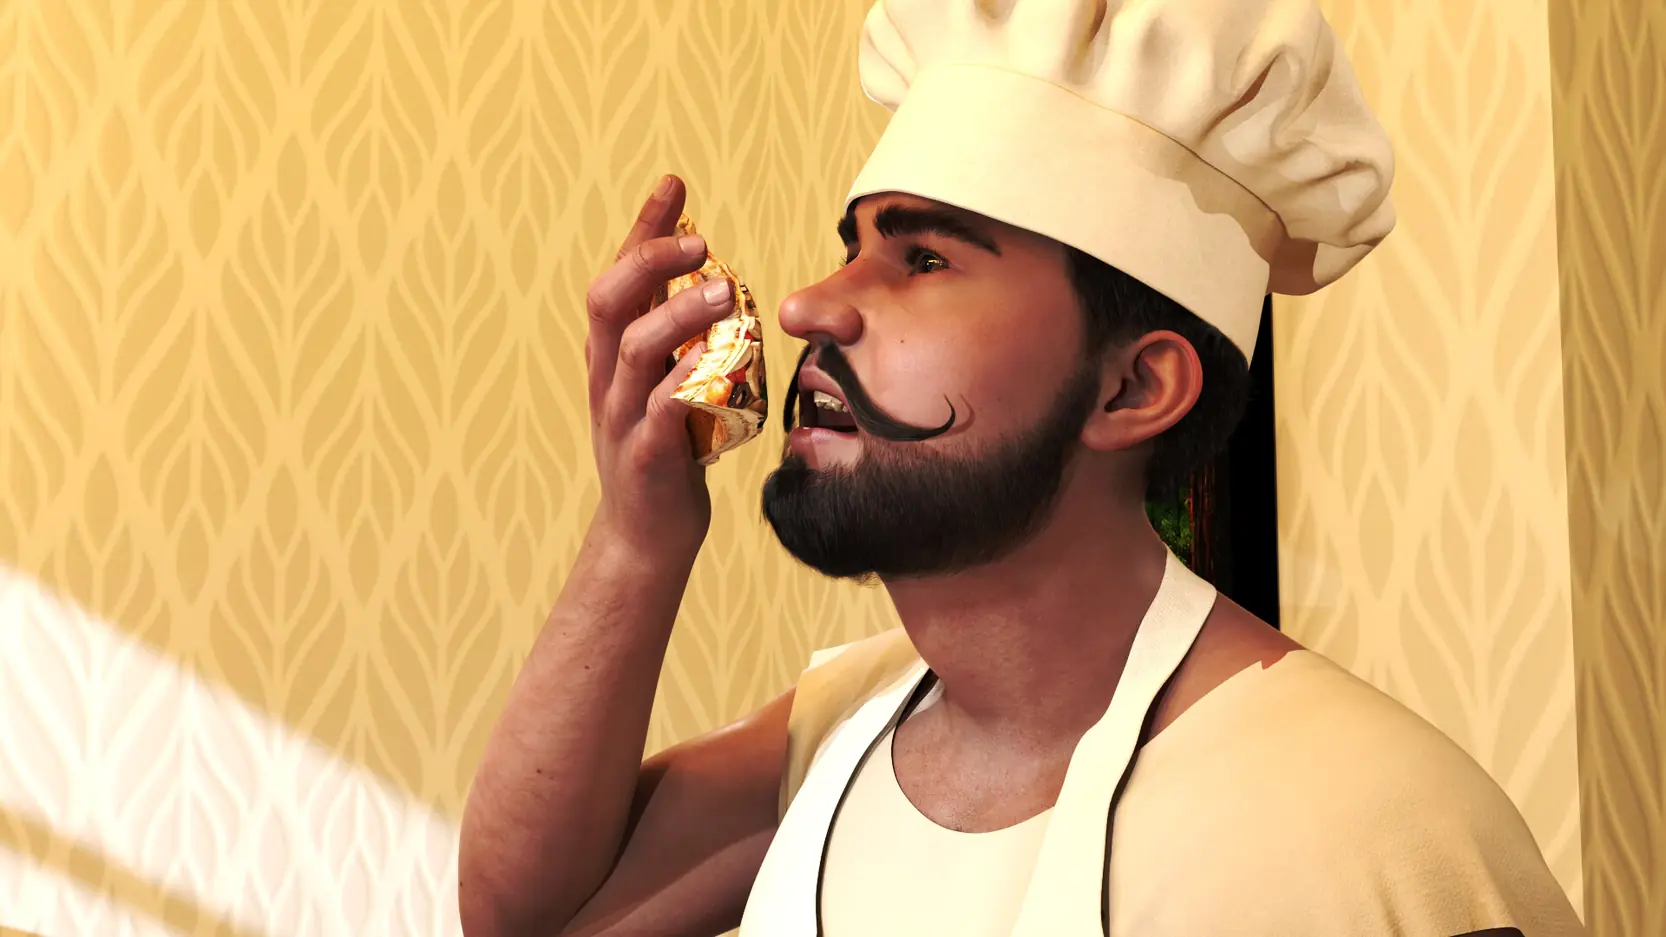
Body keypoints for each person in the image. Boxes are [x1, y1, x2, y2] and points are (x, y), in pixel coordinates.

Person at [459, 0, 1586, 934]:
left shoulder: (1378, 827)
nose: (809, 305)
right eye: (854, 246)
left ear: (1132, 387)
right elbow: (530, 916)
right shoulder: (842, 727)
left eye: (924, 259)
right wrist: (638, 534)